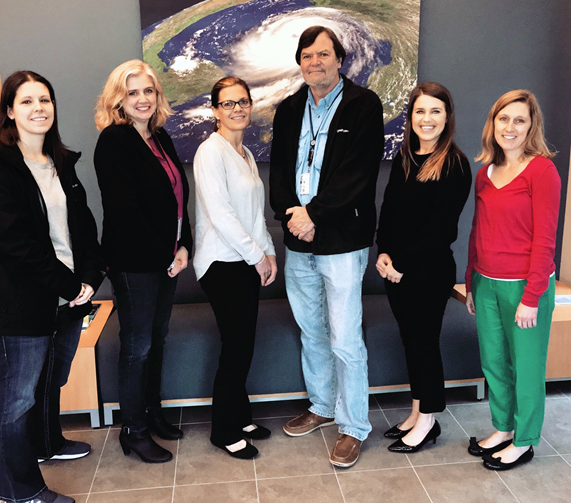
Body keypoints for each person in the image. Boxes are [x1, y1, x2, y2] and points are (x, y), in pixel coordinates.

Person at [270, 26, 384, 468]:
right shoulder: (289, 108)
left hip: (341, 240)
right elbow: (278, 173)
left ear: (340, 59)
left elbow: (356, 177)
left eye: (323, 55)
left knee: (344, 338)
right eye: (306, 56)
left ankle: (353, 426)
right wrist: (291, 215)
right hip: (298, 240)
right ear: (300, 62)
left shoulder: (363, 106)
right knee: (312, 332)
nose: (314, 62)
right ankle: (322, 406)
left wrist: (314, 214)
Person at [0, 71, 104, 503]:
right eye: (26, 102)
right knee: (16, 398)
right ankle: (16, 489)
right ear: (9, 111)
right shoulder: (5, 168)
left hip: (67, 294)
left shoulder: (61, 162)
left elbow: (80, 227)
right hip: (23, 300)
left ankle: (49, 444)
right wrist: (68, 283)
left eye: (44, 100)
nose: (38, 108)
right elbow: (16, 243)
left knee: (49, 382)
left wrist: (90, 276)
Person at [94, 60, 192, 463]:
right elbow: (124, 211)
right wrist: (164, 255)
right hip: (135, 264)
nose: (142, 99)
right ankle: (132, 431)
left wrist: (184, 244)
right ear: (118, 98)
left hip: (166, 259)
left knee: (157, 338)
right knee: (136, 346)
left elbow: (179, 199)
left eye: (148, 91)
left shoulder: (161, 136)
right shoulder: (114, 142)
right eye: (132, 92)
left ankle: (153, 414)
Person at [465, 89, 560, 470]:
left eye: (519, 120)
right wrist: (471, 281)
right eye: (504, 118)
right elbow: (477, 230)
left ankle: (524, 439)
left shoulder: (542, 171)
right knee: (494, 363)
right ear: (493, 124)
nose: (510, 127)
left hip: (526, 286)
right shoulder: (485, 174)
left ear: (531, 126)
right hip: (486, 284)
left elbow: (546, 239)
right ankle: (502, 428)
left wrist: (533, 296)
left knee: (527, 367)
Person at [376, 82, 471, 453]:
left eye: (435, 111)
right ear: (410, 117)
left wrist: (402, 264)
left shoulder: (454, 163)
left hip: (427, 272)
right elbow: (389, 209)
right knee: (411, 342)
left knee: (424, 345)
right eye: (420, 111)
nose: (426, 119)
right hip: (396, 269)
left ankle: (428, 421)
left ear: (447, 117)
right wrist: (383, 252)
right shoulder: (405, 156)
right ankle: (417, 413)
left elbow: (441, 228)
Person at [193, 77, 277, 459]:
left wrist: (269, 252)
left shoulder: (243, 154)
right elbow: (222, 215)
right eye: (228, 103)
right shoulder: (210, 152)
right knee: (236, 347)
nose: (237, 109)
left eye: (243, 102)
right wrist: (256, 256)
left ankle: (240, 416)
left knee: (243, 344)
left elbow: (254, 215)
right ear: (215, 110)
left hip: (242, 261)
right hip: (221, 263)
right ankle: (224, 430)